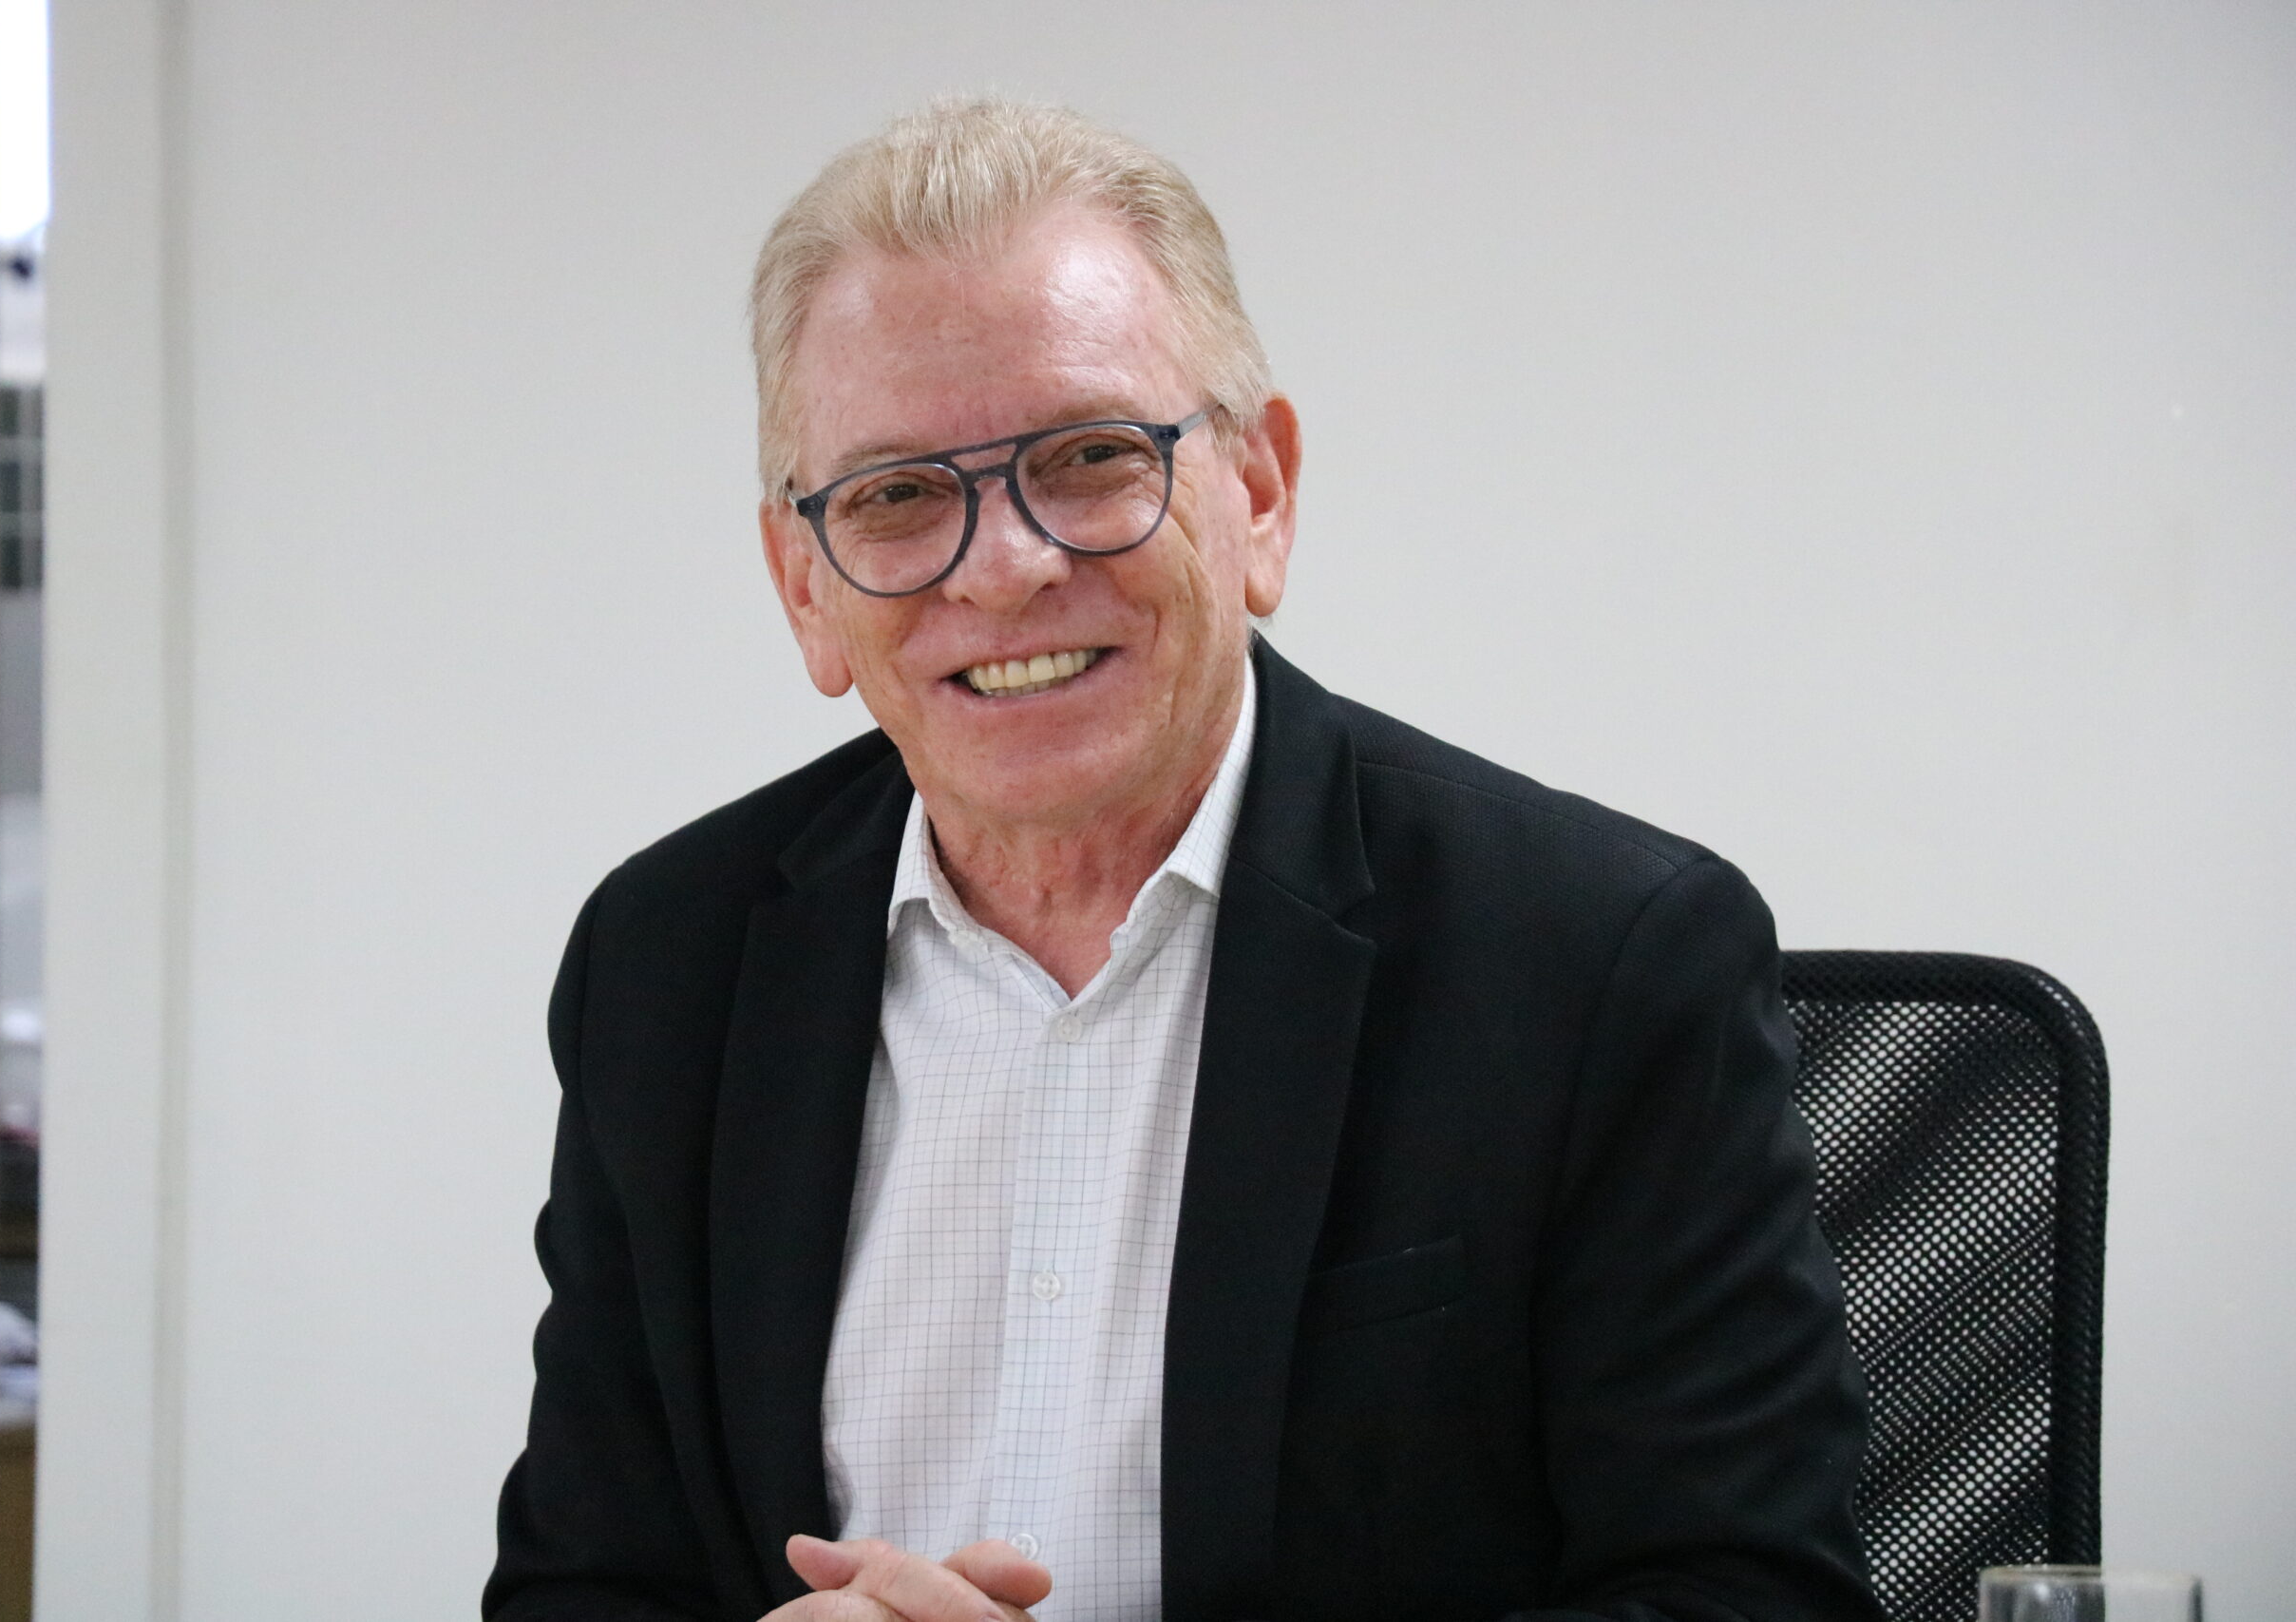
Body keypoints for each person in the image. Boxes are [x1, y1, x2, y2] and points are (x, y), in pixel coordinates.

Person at [484, 98, 1878, 1622]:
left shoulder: (1600, 962)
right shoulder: (667, 965)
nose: (1006, 566)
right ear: (805, 587)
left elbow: (1751, 1599)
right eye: (896, 496)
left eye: (1089, 458)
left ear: (1260, 494)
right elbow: (582, 1589)